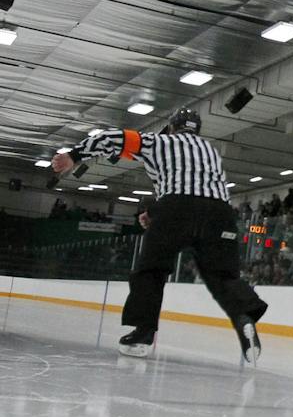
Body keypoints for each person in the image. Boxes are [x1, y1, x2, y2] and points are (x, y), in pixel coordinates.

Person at [51, 109, 267, 363]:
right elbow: (195, 189)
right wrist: (154, 211)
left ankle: (142, 333)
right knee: (223, 275)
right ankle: (243, 317)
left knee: (151, 270)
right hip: (219, 213)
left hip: (175, 209)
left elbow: (112, 137)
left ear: (171, 127)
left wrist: (73, 156)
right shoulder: (211, 152)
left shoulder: (159, 142)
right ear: (197, 130)